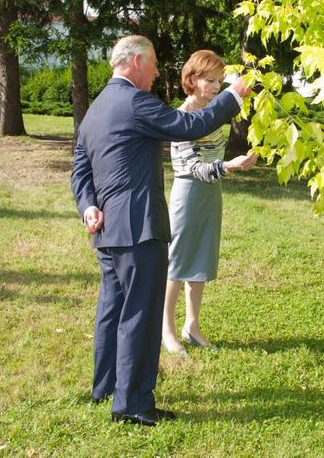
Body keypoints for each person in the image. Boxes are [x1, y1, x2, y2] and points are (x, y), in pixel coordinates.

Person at [70, 35, 251, 427]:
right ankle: (133, 404)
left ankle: (106, 387)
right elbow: (189, 125)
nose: (155, 73)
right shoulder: (135, 101)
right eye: (152, 65)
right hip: (139, 229)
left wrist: (88, 206)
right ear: (136, 61)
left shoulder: (97, 107)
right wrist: (232, 96)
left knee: (112, 310)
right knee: (141, 313)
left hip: (108, 230)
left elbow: (80, 168)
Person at [162, 50, 258, 357]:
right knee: (177, 262)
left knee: (201, 258)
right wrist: (229, 166)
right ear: (192, 80)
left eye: (219, 80)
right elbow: (194, 168)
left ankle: (192, 326)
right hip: (189, 193)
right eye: (210, 80)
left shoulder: (213, 112)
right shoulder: (183, 117)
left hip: (211, 192)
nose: (217, 86)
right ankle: (166, 331)